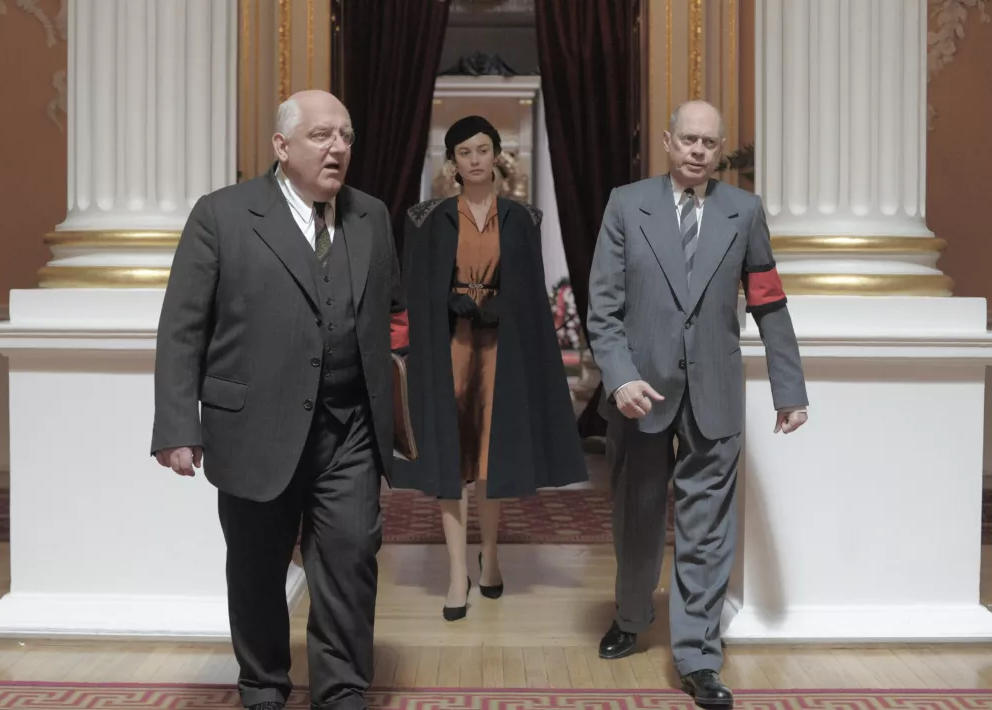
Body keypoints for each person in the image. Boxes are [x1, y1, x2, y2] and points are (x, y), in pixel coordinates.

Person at [150, 89, 408, 710]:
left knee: (351, 559)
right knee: (257, 570)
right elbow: (183, 327)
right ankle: (263, 685)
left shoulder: (371, 216)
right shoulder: (222, 215)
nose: (338, 147)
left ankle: (342, 691)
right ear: (282, 145)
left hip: (349, 430)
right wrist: (178, 425)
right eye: (322, 135)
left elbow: (393, 313)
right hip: (253, 429)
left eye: (346, 136)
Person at [586, 100, 808, 707]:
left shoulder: (744, 211)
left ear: (720, 149)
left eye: (709, 143)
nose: (697, 151)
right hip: (640, 393)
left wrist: (789, 389)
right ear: (668, 141)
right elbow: (603, 308)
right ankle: (631, 617)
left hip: (714, 392)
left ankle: (698, 656)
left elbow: (769, 303)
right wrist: (620, 379)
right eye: (688, 139)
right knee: (637, 515)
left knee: (706, 528)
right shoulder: (626, 204)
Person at [394, 115, 587, 621]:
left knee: (488, 457)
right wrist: (446, 302)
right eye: (465, 152)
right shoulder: (426, 218)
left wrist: (508, 305)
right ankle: (457, 573)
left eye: (483, 149)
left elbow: (530, 289)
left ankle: (492, 556)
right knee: (449, 458)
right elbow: (413, 286)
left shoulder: (524, 218)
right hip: (448, 348)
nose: (475, 159)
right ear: (452, 162)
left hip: (502, 349)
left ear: (497, 154)